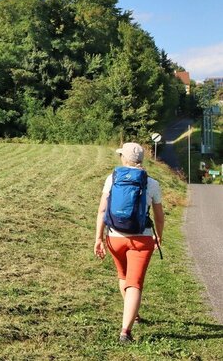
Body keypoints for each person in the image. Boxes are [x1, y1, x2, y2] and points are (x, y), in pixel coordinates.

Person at [94, 142, 165, 342]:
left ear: (124, 159)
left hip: (114, 237)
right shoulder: (152, 183)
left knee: (123, 276)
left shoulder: (112, 179)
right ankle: (125, 331)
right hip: (142, 239)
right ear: (141, 160)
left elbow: (101, 211)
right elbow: (159, 217)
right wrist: (159, 235)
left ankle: (132, 312)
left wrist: (98, 238)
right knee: (135, 284)